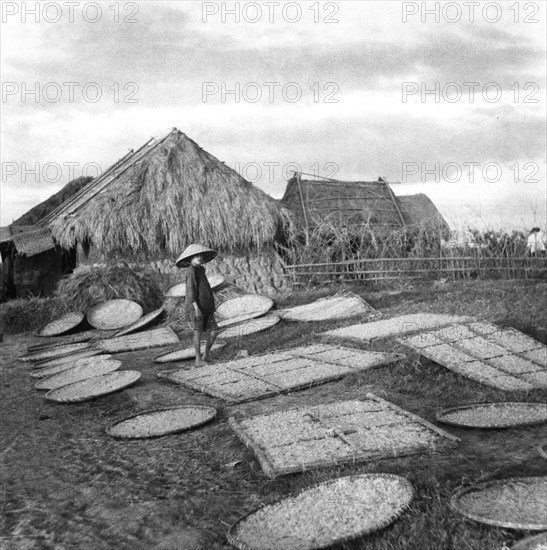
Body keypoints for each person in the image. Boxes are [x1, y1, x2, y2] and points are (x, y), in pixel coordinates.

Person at [176, 244, 219, 366]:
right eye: (195, 256)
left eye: (200, 255)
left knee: (214, 331)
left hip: (207, 306)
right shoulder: (191, 271)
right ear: (190, 258)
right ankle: (198, 359)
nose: (199, 257)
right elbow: (191, 291)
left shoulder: (201, 269)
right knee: (198, 332)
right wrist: (196, 308)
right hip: (197, 307)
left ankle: (206, 355)